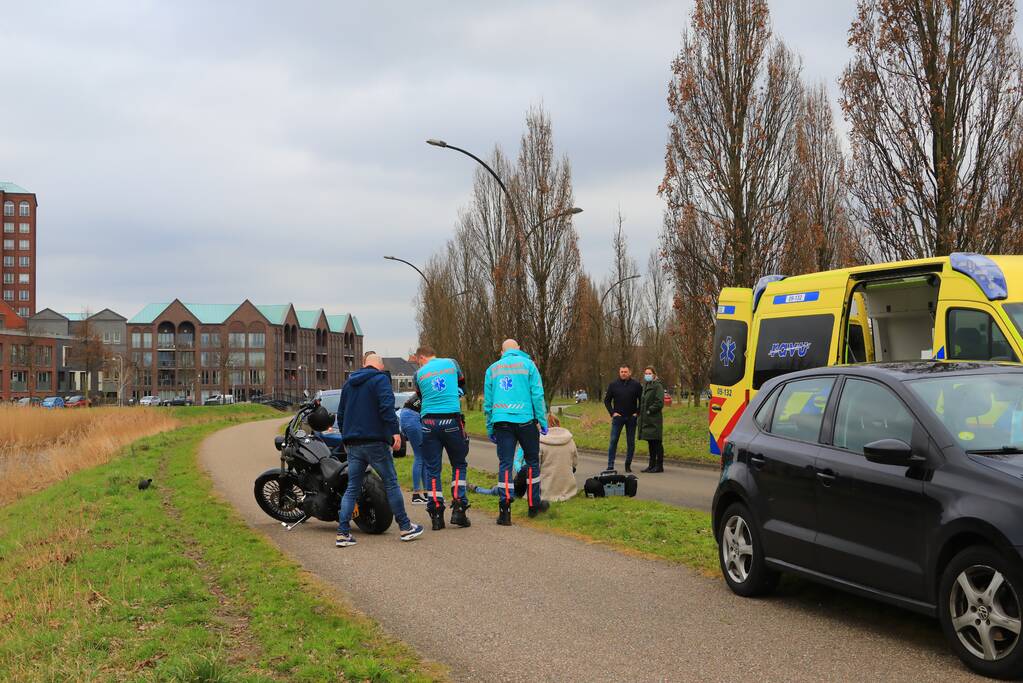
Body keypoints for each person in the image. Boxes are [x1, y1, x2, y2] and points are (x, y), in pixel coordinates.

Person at [334, 353, 424, 548]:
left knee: (352, 488)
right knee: (391, 482)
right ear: (380, 366)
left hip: (353, 443)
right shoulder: (380, 380)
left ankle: (342, 533)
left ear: (364, 364)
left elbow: (341, 415)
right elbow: (387, 409)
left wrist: (346, 436)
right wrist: (395, 433)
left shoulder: (349, 384)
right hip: (375, 442)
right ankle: (405, 527)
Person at [483, 339, 548, 525]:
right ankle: (533, 505)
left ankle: (505, 510)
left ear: (501, 352)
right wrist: (542, 422)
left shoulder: (492, 369)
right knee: (532, 462)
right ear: (519, 349)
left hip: (502, 422)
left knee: (505, 463)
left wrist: (490, 427)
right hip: (526, 421)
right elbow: (537, 394)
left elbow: (488, 404)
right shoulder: (529, 366)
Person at [414, 344, 471, 530]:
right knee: (459, 464)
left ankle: (436, 513)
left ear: (421, 358)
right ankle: (458, 506)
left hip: (429, 423)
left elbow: (421, 397)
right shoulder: (451, 363)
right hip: (451, 421)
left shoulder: (419, 374)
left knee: (432, 468)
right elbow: (462, 384)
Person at [603, 364, 643, 472]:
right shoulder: (613, 385)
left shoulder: (636, 385)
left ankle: (628, 464)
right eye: (622, 372)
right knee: (613, 441)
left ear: (629, 372)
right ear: (619, 372)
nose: (623, 373)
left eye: (625, 372)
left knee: (631, 443)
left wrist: (637, 413)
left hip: (631, 418)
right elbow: (607, 400)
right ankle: (610, 465)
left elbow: (642, 400)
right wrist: (612, 413)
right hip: (618, 418)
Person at [539, 412, 578, 501]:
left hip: (546, 489)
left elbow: (535, 467)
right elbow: (575, 463)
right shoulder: (569, 440)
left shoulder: (540, 442)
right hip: (569, 490)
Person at [398, 394, 428, 504]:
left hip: (407, 416)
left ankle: (426, 493)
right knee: (420, 456)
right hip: (412, 418)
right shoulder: (432, 391)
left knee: (423, 457)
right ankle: (416, 495)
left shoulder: (425, 386)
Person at [638, 366, 665, 473]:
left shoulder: (657, 386)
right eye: (646, 373)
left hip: (654, 420)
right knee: (650, 443)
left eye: (649, 373)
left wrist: (650, 410)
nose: (647, 375)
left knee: (657, 443)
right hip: (647, 420)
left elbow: (659, 402)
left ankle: (659, 465)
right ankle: (651, 465)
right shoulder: (646, 386)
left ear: (654, 374)